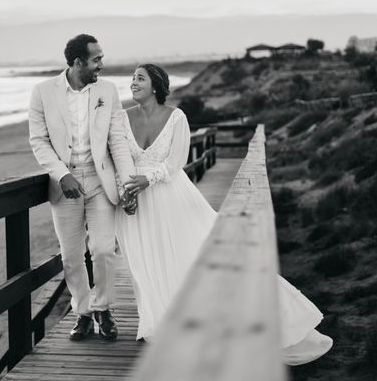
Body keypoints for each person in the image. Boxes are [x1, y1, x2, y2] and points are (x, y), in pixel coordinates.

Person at [116, 63, 333, 364]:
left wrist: (147, 178)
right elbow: (117, 157)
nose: (133, 83)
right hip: (137, 202)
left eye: (139, 78)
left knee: (186, 255)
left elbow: (177, 161)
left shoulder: (176, 117)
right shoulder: (123, 118)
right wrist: (125, 189)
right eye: (132, 78)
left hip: (170, 196)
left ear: (155, 85)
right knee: (147, 261)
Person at [28, 34, 135, 341]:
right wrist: (61, 174)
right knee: (71, 256)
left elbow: (117, 140)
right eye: (96, 59)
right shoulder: (42, 92)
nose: (101, 64)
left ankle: (103, 309)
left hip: (100, 180)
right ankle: (83, 312)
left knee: (103, 249)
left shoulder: (108, 90)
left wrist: (127, 184)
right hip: (66, 184)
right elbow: (39, 141)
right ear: (78, 63)